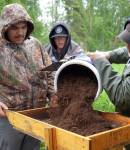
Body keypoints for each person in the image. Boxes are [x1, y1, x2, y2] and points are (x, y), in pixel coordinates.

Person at [88, 12, 130, 150]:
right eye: (127, 41)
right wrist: (108, 54)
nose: (128, 46)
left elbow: (122, 95)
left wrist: (100, 61)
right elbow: (127, 52)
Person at [0, 3, 51, 150]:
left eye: (23, 27)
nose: (20, 32)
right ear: (5, 27)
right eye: (14, 28)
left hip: (36, 115)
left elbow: (50, 71)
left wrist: (53, 94)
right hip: (10, 118)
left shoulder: (35, 44)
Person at [45, 22, 91, 98]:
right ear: (53, 39)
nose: (59, 41)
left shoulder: (75, 47)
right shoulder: (47, 49)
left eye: (62, 37)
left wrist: (69, 61)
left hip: (70, 79)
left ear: (67, 38)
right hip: (52, 82)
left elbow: (87, 60)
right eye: (57, 38)